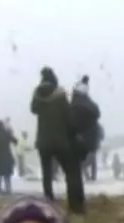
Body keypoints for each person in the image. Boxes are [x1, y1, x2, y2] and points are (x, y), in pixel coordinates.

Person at [31, 67, 85, 214]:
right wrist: (74, 133)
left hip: (43, 141)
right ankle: (75, 206)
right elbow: (69, 118)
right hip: (61, 140)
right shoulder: (60, 95)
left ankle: (48, 202)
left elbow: (33, 109)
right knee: (70, 172)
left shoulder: (38, 94)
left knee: (46, 174)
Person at [71, 77, 101, 183]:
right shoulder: (91, 105)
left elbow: (73, 123)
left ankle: (86, 178)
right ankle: (91, 177)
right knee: (91, 160)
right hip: (91, 139)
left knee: (80, 163)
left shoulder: (75, 105)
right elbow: (97, 114)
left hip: (80, 139)